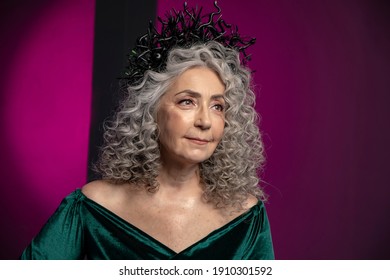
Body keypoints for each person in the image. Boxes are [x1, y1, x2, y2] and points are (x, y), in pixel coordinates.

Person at [20, 2, 274, 260]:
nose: (205, 121)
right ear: (151, 112)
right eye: (187, 101)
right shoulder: (93, 206)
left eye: (218, 106)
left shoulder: (247, 217)